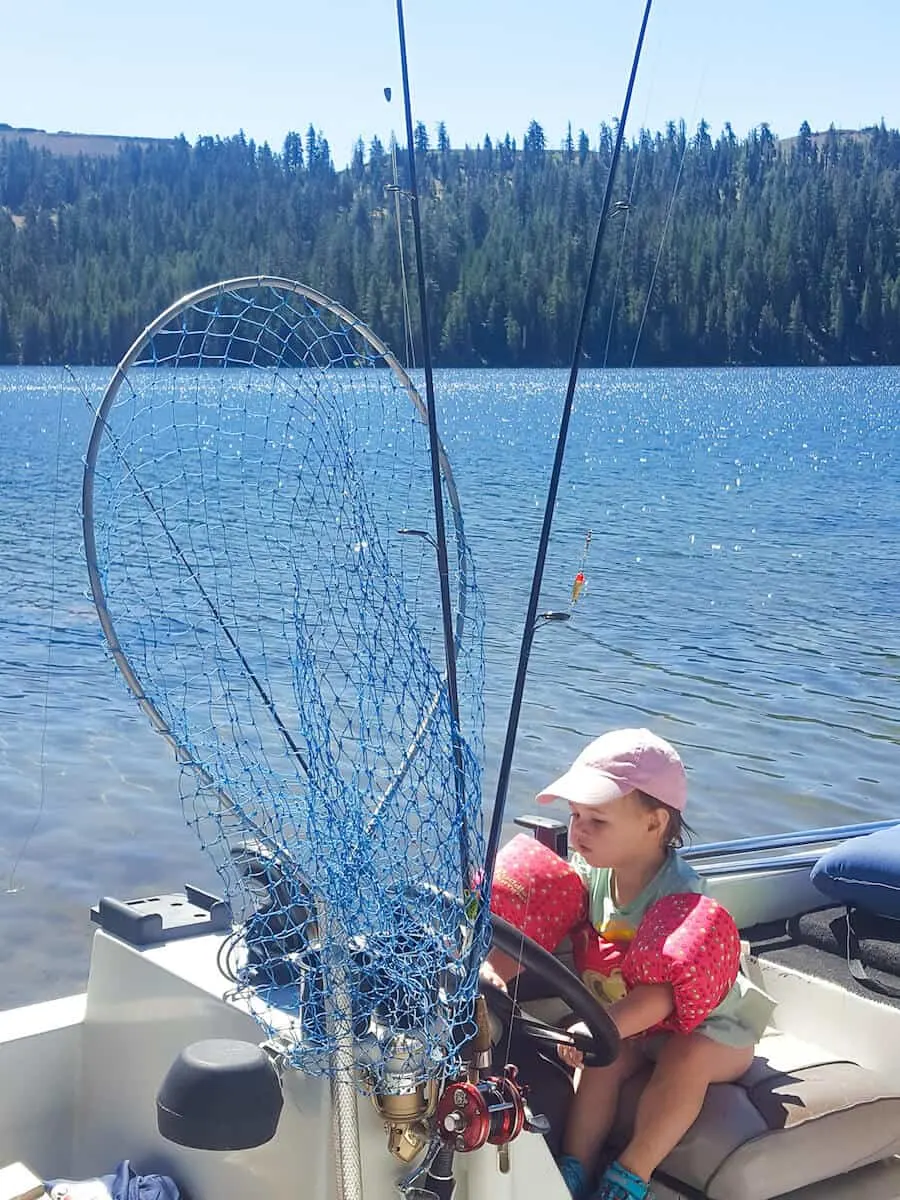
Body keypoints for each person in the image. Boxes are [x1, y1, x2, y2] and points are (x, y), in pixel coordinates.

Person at [481, 727, 774, 1200]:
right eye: (576, 816)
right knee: (604, 1063)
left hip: (713, 1031)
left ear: (655, 824)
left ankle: (631, 1173)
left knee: (686, 1058)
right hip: (630, 1026)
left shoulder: (681, 893)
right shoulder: (592, 874)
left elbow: (661, 994)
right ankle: (574, 1166)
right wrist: (497, 970)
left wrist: (600, 1027)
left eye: (597, 820)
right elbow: (539, 922)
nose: (578, 831)